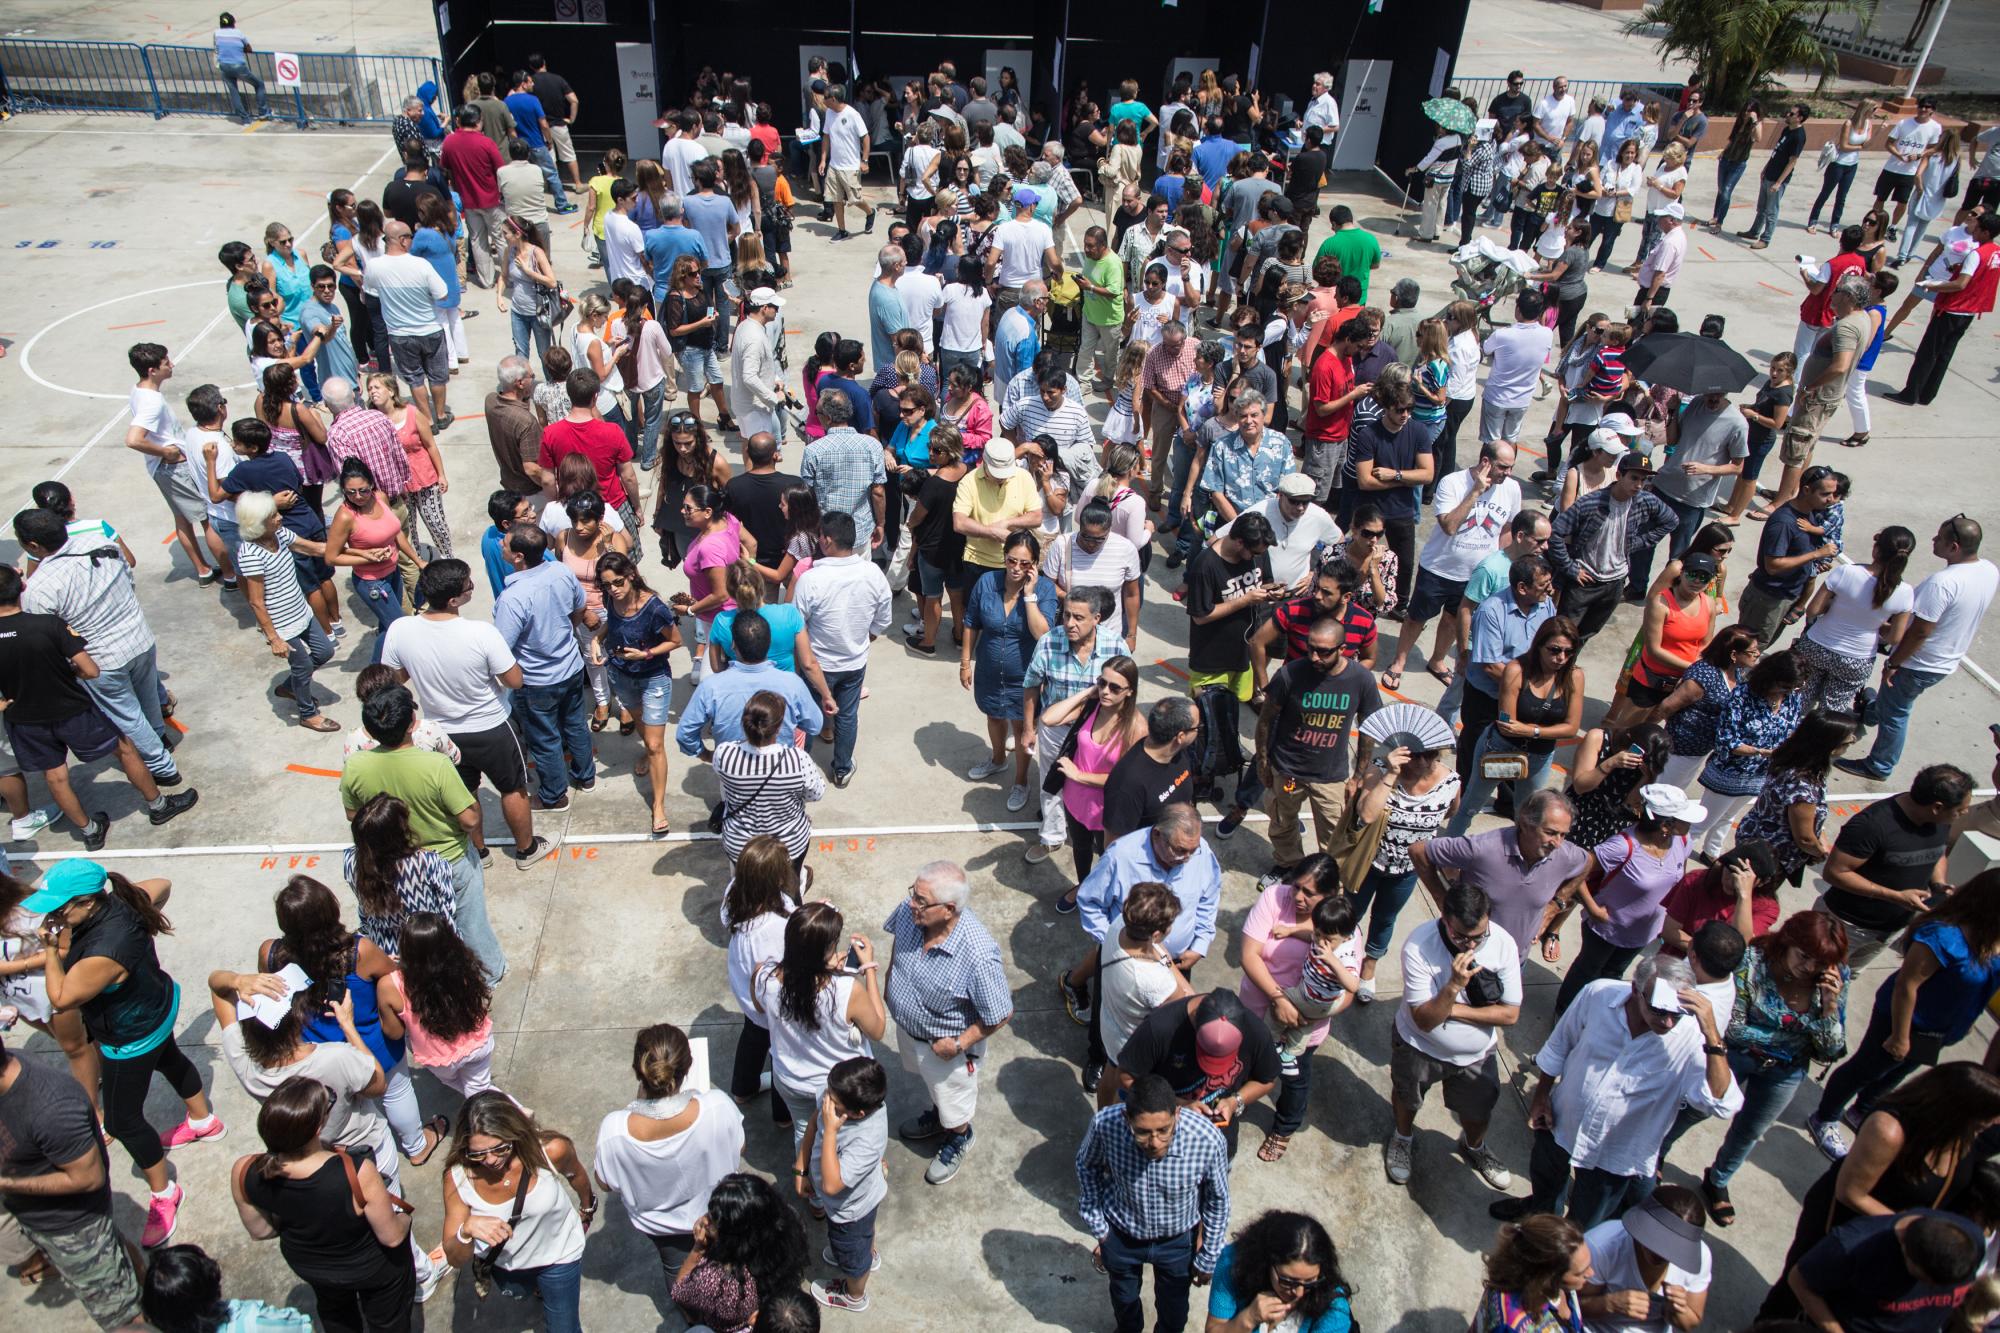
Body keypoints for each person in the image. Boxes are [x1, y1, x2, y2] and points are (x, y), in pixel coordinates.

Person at [26, 861, 222, 1249]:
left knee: (122, 1120)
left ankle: (165, 1194)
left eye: (59, 909)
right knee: (171, 1059)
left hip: (130, 1038)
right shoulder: (126, 901)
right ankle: (203, 1120)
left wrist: (50, 949)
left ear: (85, 903)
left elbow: (61, 997)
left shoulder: (104, 951)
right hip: (159, 1007)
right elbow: (162, 884)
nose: (52, 916)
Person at [1492, 954, 1741, 1229]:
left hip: (1614, 1156)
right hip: (1561, 1123)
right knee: (1546, 1182)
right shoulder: (1598, 994)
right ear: (1636, 989)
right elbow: (1559, 1045)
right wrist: (1541, 1099)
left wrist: (1713, 1036)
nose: (1669, 1022)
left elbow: (1722, 1104)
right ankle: (1538, 1217)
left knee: (1584, 1224)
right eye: (1660, 1010)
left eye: (1677, 1014)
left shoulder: (1693, 1038)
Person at [1759, 1061, 2000, 1321]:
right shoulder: (1888, 1129)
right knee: (1795, 1295)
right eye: (1981, 1122)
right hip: (1842, 1227)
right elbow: (1850, 1193)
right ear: (1956, 1109)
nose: (1986, 1128)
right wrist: (1914, 1228)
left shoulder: (1960, 1134)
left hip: (1897, 1239)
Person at [1660, 908, 1848, 1224]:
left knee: (1750, 1131)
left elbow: (1829, 1050)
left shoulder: (1832, 982)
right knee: (1695, 1107)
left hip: (1785, 1072)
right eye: (1804, 956)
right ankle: (1657, 1153)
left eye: (1819, 963)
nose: (1809, 968)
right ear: (1788, 941)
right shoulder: (1754, 961)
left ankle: (1718, 1180)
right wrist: (1801, 1028)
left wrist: (1829, 1006)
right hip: (1736, 1056)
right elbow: (1734, 1029)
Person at [384, 561, 549, 868]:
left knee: (462, 791)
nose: (472, 587)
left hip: (440, 731)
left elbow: (397, 677)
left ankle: (479, 852)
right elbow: (514, 681)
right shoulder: (481, 633)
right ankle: (526, 851)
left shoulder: (400, 629)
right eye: (468, 586)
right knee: (513, 788)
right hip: (492, 727)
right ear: (454, 600)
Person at [339, 683, 507, 981]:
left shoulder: (355, 766)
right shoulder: (436, 765)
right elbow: (469, 820)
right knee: (470, 921)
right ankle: (488, 975)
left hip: (386, 865)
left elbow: (355, 817)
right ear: (411, 725)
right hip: (448, 858)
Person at [13, 506, 187, 789]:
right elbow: (128, 580)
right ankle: (159, 737)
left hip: (102, 658)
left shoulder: (39, 588)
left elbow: (48, 636)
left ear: (32, 545)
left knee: (126, 715)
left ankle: (161, 767)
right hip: (139, 637)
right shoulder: (102, 543)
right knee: (147, 698)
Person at [229, 1077, 422, 1328]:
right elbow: (392, 1237)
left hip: (311, 1268)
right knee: (388, 1321)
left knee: (336, 1315)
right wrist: (405, 1219)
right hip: (372, 1269)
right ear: (317, 1128)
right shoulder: (356, 1172)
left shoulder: (244, 1170)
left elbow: (261, 1230)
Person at [880, 860, 1011, 1187]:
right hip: (911, 1034)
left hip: (946, 1053)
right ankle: (941, 1118)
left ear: (949, 909)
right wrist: (889, 977)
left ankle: (959, 1135)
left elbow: (1000, 1013)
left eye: (921, 901)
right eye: (914, 894)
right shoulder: (912, 915)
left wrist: (959, 1044)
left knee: (954, 1101)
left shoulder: (977, 955)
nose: (912, 903)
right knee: (934, 1091)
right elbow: (898, 939)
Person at [0, 1035, 142, 1328]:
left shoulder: (50, 1106)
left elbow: (88, 1178)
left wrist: (6, 1183)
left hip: (74, 1228)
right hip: (32, 1214)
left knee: (123, 1318)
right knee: (118, 1255)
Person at [1841, 515, 1998, 780]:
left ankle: (1879, 765)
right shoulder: (1988, 570)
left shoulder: (1942, 583)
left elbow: (1920, 631)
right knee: (1893, 701)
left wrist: (1894, 663)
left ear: (1954, 547)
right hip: (1945, 659)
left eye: (1940, 538)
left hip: (1918, 662)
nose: (1934, 540)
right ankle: (1869, 713)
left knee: (1896, 713)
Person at [1386, 882, 1521, 1190]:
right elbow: (1425, 1021)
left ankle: (1475, 1147)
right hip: (1418, 1047)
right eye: (1461, 936)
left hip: (1476, 1056)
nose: (1470, 945)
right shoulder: (1419, 946)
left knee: (1477, 1110)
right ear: (1444, 920)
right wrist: (1452, 987)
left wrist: (1453, 1010)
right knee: (1408, 1098)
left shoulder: (1503, 944)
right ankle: (1402, 1138)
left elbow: (1510, 1014)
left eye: (1478, 936)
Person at [1076, 1073, 1232, 1333]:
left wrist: (1209, 1256)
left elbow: (1217, 1200)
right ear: (1127, 1119)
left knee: (1174, 1311)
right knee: (1124, 1301)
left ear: (1177, 1115)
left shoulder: (1206, 1139)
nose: (1154, 1142)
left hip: (1178, 1243)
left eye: (1163, 1130)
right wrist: (1101, 1229)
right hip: (1121, 1236)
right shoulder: (1105, 1125)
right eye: (1143, 1132)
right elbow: (1086, 1165)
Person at [592, 1022, 745, 1284]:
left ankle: (691, 1314)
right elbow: (739, 1147)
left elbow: (605, 1183)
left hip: (663, 1229)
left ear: (637, 1071)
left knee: (678, 1273)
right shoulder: (717, 1106)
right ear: (687, 1069)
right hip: (720, 1212)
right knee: (730, 1263)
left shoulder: (614, 1129)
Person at [439, 1093, 594, 1331]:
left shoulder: (550, 1150)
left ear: (514, 1132)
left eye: (500, 1148)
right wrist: (466, 1230)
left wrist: (586, 1206)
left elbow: (577, 1175)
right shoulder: (458, 1178)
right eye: (478, 1153)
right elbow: (455, 1258)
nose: (490, 1160)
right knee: (520, 1293)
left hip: (560, 1255)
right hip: (507, 1264)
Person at [1382, 442, 1523, 693]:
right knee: (1417, 617)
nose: (1508, 473)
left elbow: (1507, 529)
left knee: (1453, 619)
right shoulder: (1453, 483)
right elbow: (1449, 526)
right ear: (1485, 462)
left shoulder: (1512, 489)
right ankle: (1399, 662)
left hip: (1478, 575)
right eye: (1503, 467)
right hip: (1439, 569)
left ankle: (1437, 660)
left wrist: (1501, 563)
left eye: (1511, 467)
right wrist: (1476, 492)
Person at [753, 901, 888, 1144]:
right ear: (826, 951)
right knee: (842, 1140)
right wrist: (868, 969)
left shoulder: (764, 976)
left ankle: (805, 1178)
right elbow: (877, 1029)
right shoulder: (847, 990)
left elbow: (760, 1006)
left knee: (804, 1134)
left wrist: (823, 968)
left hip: (789, 1079)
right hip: (839, 1087)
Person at [1448, 616, 1584, 835]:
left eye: (1568, 652)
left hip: (1539, 756)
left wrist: (1532, 731)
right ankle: (1448, 851)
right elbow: (1507, 725)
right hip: (1501, 751)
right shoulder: (1516, 670)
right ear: (1539, 646)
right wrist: (1544, 731)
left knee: (1528, 814)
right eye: (1555, 650)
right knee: (1470, 804)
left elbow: (1571, 728)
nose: (1561, 658)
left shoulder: (1574, 676)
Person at [960, 529, 1060, 811]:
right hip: (990, 671)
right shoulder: (986, 582)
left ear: (1035, 565)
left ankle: (1021, 781)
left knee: (1022, 726)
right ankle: (997, 760)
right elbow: (971, 622)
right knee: (994, 716)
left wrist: (1029, 597)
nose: (1017, 568)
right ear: (1004, 558)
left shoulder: (1044, 590)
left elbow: (1043, 633)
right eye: (1011, 561)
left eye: (1025, 563)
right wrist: (965, 662)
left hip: (1026, 678)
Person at [1547, 455, 1676, 646]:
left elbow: (1671, 520)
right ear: (1618, 475)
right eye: (1634, 478)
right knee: (1563, 635)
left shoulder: (1645, 501)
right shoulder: (1591, 503)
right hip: (1584, 581)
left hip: (1615, 583)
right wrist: (1570, 568)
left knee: (1586, 634)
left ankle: (1568, 670)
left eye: (1644, 480)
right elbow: (1556, 533)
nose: (1639, 485)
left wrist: (1638, 543)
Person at [1790, 1208, 1984, 1333]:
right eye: (1927, 1281)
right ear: (1905, 1248)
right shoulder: (1851, 1246)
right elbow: (1799, 1281)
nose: (1934, 1288)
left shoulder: (1971, 1239)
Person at [671, 1172, 809, 1329]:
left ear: (734, 1236)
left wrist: (699, 1248)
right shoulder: (789, 1222)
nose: (706, 1220)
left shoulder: (718, 1282)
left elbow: (679, 1292)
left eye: (714, 1218)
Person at [712, 685, 826, 867]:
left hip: (740, 846)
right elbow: (816, 793)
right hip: (788, 844)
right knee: (790, 888)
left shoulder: (724, 754)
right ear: (778, 727)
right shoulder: (798, 759)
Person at [1578, 1188, 1712, 1332]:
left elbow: (1690, 1323)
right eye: (1658, 1240)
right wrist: (1609, 1304)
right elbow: (1568, 1306)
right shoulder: (1601, 1246)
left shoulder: (1700, 1256)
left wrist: (1679, 1310)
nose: (1662, 1253)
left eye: (1674, 1248)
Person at [1206, 1209, 1354, 1333]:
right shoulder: (1232, 1265)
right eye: (1288, 1281)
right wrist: (1248, 1318)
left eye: (1310, 1282)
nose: (1299, 1292)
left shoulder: (1335, 1309)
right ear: (1267, 1263)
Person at [1471, 1213, 1590, 1333]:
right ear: (1546, 1277)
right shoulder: (1513, 1326)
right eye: (1579, 1273)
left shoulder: (1561, 1286)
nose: (1591, 1273)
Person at [1482, 293, 1554, 444]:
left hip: (1496, 397)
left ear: (1518, 310)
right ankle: (1507, 468)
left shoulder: (1502, 334)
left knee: (1491, 443)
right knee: (1510, 440)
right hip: (1522, 400)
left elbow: (1486, 349)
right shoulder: (1547, 333)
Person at [1740, 103, 1809, 250]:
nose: (1788, 115)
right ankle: (1754, 231)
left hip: (1777, 179)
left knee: (1771, 210)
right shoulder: (1786, 130)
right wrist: (1765, 168)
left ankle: (1765, 239)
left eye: (1792, 114)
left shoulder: (1799, 136)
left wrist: (1779, 182)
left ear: (1800, 118)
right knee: (1761, 207)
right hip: (1769, 174)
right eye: (1789, 112)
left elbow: (1792, 162)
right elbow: (1776, 153)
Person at [211, 13, 272, 122]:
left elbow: (217, 47)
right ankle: (263, 112)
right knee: (259, 85)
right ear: (233, 23)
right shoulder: (238, 33)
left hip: (224, 65)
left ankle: (245, 119)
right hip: (238, 66)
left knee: (234, 91)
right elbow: (249, 49)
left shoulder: (216, 33)